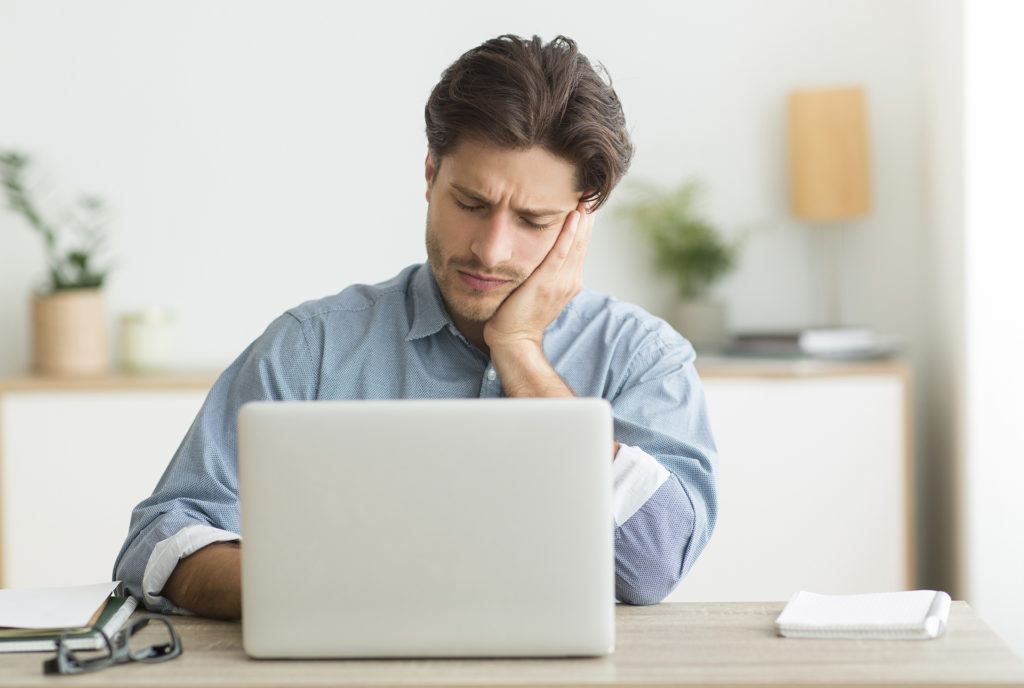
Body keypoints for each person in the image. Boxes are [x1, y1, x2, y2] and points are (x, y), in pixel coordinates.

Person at [113, 34, 718, 620]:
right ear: (430, 176)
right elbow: (163, 539)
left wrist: (521, 353)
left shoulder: (642, 356)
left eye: (534, 220)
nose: (490, 249)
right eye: (471, 204)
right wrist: (336, 593)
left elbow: (653, 564)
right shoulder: (312, 347)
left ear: (579, 221)